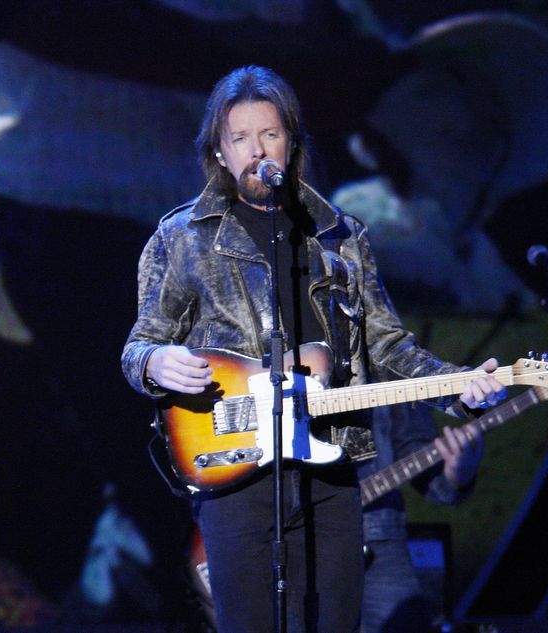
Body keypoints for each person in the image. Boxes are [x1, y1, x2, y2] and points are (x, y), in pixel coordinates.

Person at [120, 65, 502, 633]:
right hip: (237, 471)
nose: (256, 150)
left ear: (291, 143)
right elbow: (139, 345)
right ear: (220, 153)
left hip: (334, 471)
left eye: (269, 134)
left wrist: (459, 388)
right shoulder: (182, 238)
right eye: (240, 138)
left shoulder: (341, 237)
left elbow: (386, 343)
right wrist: (154, 362)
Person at [361, 403, 483, 632]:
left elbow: (413, 443)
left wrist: (455, 474)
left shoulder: (384, 368)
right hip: (284, 531)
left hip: (377, 537)